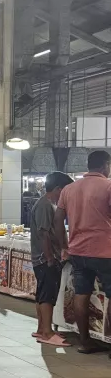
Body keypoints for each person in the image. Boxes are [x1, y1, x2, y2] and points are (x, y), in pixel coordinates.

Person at [54, 150, 111, 354]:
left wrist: (64, 246)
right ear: (105, 165)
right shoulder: (108, 186)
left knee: (81, 294)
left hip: (78, 251)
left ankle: (85, 342)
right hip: (105, 252)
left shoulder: (69, 189)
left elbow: (58, 220)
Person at [30, 171, 74, 347]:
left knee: (42, 294)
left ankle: (42, 329)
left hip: (43, 257)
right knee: (48, 295)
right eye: (65, 191)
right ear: (57, 189)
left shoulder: (47, 204)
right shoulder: (45, 205)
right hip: (44, 258)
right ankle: (47, 333)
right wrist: (50, 258)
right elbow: (43, 234)